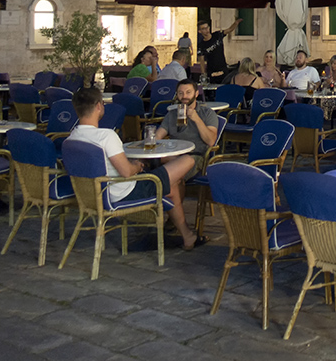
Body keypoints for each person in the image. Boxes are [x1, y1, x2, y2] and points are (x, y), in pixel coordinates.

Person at [69, 86, 202, 249]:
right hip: (122, 193)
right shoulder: (106, 136)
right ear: (98, 106)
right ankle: (185, 236)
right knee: (187, 160)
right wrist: (137, 166)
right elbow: (126, 172)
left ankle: (187, 236)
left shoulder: (72, 137)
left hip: (92, 195)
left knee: (172, 187)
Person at [153, 79, 218, 244]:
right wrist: (150, 139)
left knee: (172, 176)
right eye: (181, 93)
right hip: (174, 156)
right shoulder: (172, 114)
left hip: (196, 157)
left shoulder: (206, 114)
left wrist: (195, 118)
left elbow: (211, 141)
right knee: (175, 179)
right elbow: (158, 136)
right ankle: (184, 231)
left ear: (196, 93)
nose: (184, 96)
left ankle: (171, 216)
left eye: (188, 92)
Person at [196, 17, 241, 82]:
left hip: (223, 68)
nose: (206, 30)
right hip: (211, 71)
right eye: (203, 28)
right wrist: (203, 74)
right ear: (200, 31)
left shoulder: (217, 35)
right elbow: (202, 61)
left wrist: (236, 23)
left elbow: (229, 30)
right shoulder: (201, 45)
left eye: (207, 27)